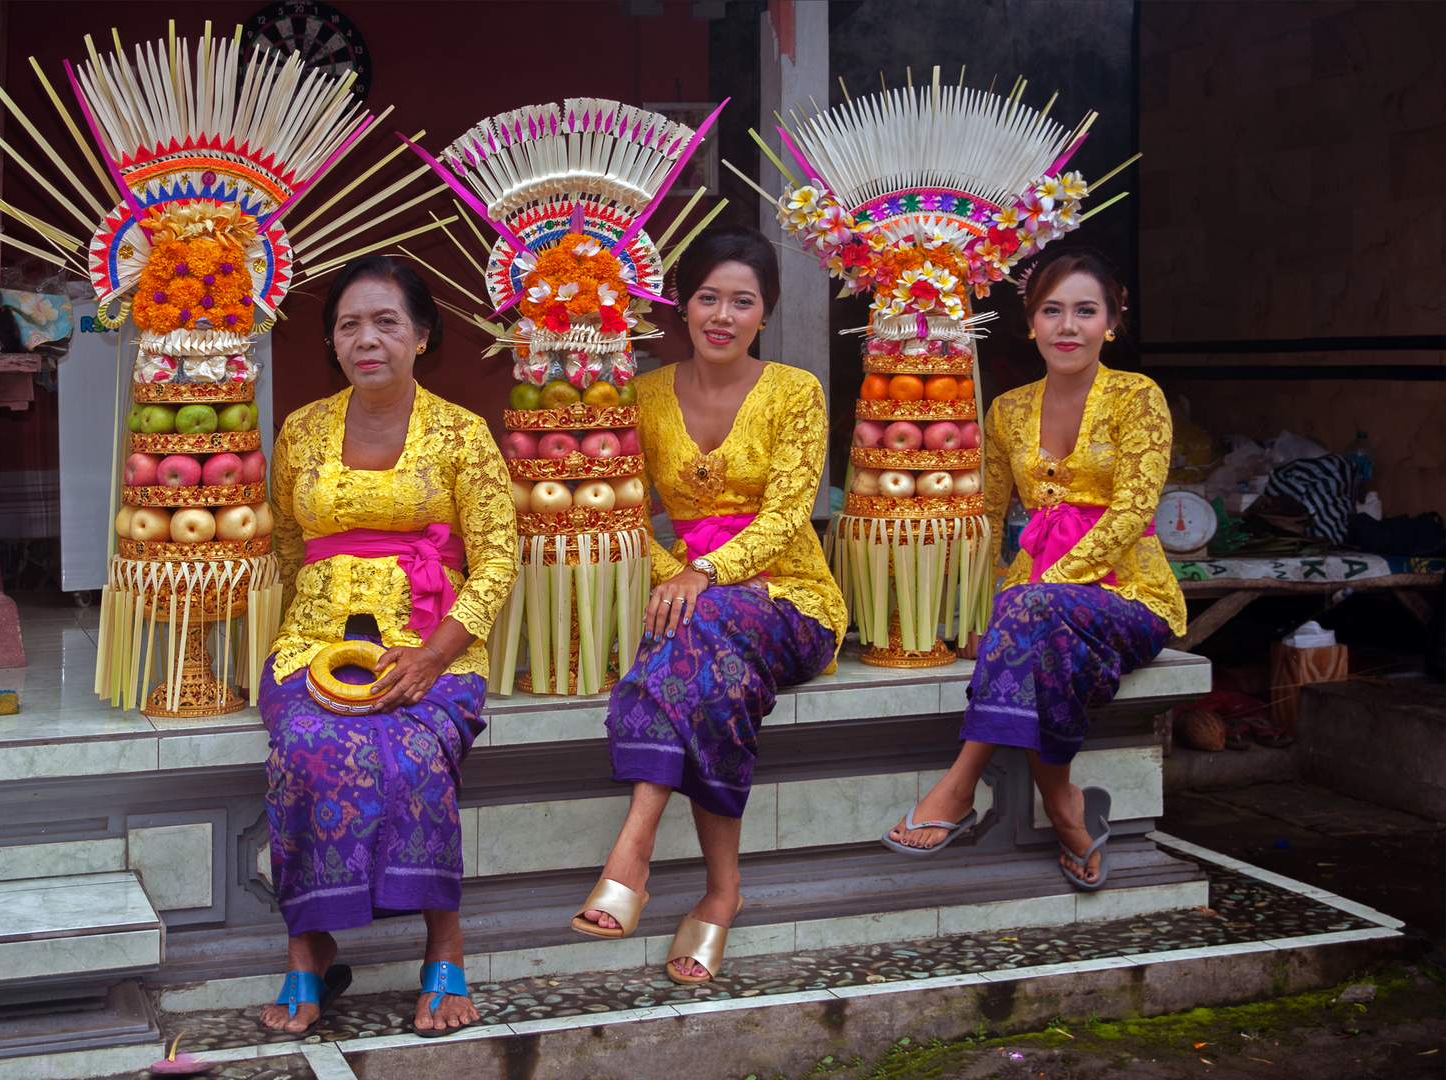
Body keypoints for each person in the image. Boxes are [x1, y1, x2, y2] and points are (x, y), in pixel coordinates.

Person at [571, 226, 846, 984]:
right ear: (682, 307)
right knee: (712, 671)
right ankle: (722, 892)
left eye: (742, 301)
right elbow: (623, 510)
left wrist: (705, 573)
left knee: (701, 623)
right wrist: (676, 575)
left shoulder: (795, 392)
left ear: (765, 313)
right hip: (695, 604)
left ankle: (635, 842)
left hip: (789, 596)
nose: (722, 315)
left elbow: (791, 513)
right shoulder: (642, 393)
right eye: (707, 298)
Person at [257, 256, 517, 1035]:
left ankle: (446, 944)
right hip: (312, 644)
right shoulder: (301, 430)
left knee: (409, 752)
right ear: (332, 343)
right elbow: (286, 544)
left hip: (430, 643)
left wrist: (435, 654)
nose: (366, 339)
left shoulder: (462, 435)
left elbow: (498, 558)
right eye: (348, 326)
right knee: (305, 746)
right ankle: (307, 950)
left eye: (386, 322)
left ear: (422, 335)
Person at [883, 249, 1186, 889]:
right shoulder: (1009, 410)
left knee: (1027, 609)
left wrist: (1041, 587)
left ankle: (960, 786)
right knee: (1032, 626)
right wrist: (967, 609)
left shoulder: (1139, 398)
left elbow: (1131, 512)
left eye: (1085, 311)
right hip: (1032, 599)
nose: (1067, 326)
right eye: (1052, 311)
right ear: (1030, 323)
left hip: (1129, 595)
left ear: (1112, 321)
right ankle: (1065, 806)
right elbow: (987, 520)